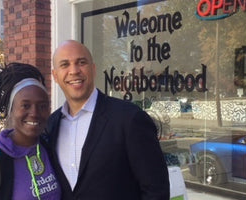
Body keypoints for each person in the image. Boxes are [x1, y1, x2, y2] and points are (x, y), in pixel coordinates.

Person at [47, 39, 170, 199]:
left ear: (93, 69)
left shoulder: (129, 118)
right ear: (55, 76)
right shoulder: (50, 126)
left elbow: (156, 190)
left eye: (81, 62)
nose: (74, 70)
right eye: (64, 65)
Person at [0, 63, 61, 200]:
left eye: (42, 106)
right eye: (25, 106)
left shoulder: (49, 146)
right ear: (11, 110)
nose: (34, 113)